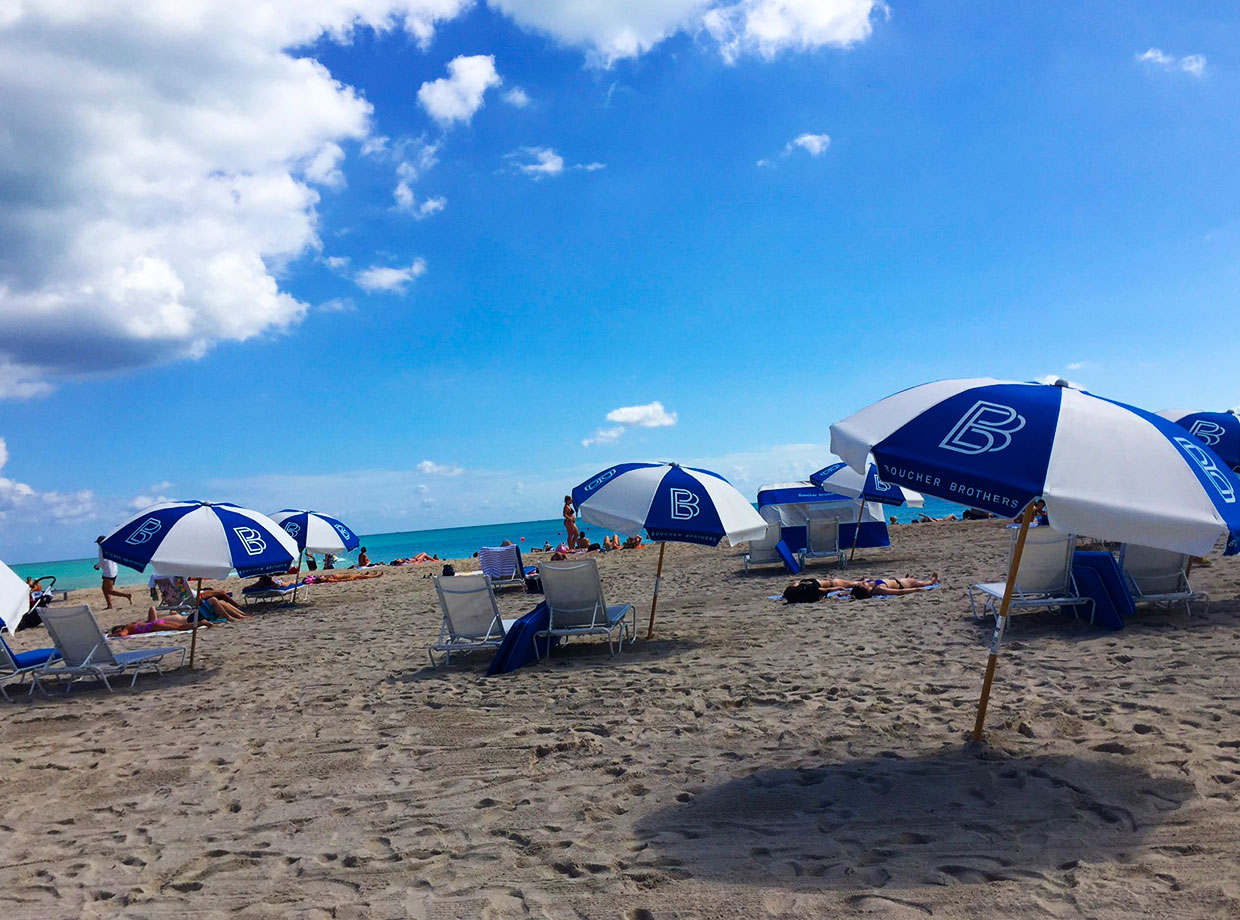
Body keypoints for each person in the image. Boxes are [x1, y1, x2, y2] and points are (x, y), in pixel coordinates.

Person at [109, 606, 207, 637]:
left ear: (120, 627)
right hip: (155, 623)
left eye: (116, 630)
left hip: (153, 626)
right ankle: (199, 623)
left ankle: (201, 623)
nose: (117, 632)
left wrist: (111, 636)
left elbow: (122, 634)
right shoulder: (131, 624)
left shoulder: (127, 628)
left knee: (178, 628)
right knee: (180, 626)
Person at [94, 536, 132, 609]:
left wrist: (97, 566)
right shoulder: (111, 547)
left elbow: (103, 561)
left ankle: (126, 595)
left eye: (98, 542)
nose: (98, 544)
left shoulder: (102, 548)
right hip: (113, 570)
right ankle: (109, 605)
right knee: (104, 588)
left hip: (108, 572)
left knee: (108, 590)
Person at [849, 574, 940, 599]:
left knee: (912, 580)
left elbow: (852, 592)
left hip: (896, 581)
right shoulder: (879, 589)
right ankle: (931, 581)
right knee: (921, 583)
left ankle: (907, 579)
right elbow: (899, 592)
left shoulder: (869, 585)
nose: (862, 582)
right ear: (865, 589)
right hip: (902, 584)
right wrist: (916, 590)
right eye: (862, 584)